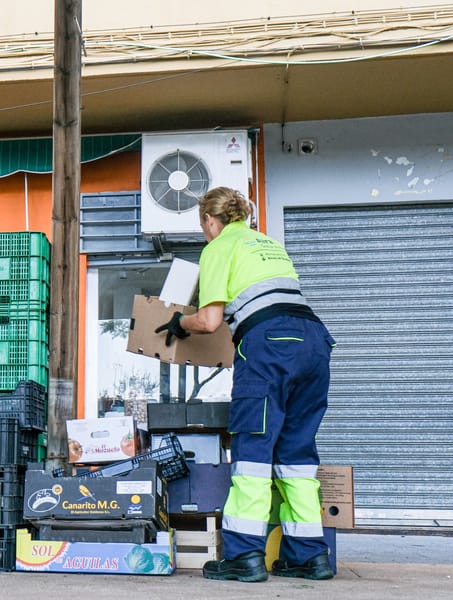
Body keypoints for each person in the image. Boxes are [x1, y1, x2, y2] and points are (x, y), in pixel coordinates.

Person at [154, 186, 336, 582]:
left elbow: (210, 321)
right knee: (297, 456)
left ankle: (244, 555)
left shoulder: (218, 247)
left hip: (270, 346)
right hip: (315, 343)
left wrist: (178, 323)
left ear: (209, 220)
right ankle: (309, 556)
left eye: (203, 225)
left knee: (253, 451)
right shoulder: (268, 244)